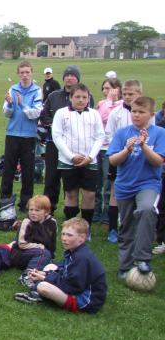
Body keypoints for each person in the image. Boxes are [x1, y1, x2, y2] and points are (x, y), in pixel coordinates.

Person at [107, 96, 165, 279]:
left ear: (150, 114)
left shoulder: (160, 133)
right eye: (134, 111)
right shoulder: (123, 132)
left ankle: (142, 257)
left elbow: (158, 162)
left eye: (141, 112)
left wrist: (144, 146)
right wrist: (127, 150)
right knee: (126, 226)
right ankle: (125, 267)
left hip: (148, 184)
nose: (137, 115)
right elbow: (113, 160)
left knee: (147, 210)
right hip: (125, 185)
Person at [14, 218, 107, 314]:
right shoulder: (75, 251)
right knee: (50, 266)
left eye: (69, 235)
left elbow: (72, 287)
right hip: (75, 288)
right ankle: (38, 293)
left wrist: (45, 278)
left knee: (43, 287)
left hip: (86, 301)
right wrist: (45, 274)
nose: (64, 238)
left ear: (82, 238)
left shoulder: (81, 258)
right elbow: (65, 271)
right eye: (63, 234)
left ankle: (39, 294)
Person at [38, 65, 93, 213]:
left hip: (76, 146)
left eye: (73, 75)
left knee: (73, 180)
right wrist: (56, 127)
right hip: (53, 143)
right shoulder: (53, 96)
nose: (69, 77)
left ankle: (72, 210)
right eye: (67, 75)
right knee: (51, 178)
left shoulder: (87, 96)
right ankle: (49, 208)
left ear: (78, 78)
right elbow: (44, 116)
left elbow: (88, 118)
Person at [51, 83, 103, 230]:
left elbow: (100, 137)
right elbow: (57, 136)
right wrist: (71, 156)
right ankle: (71, 227)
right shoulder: (61, 113)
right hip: (68, 161)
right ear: (70, 97)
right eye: (77, 97)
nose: (81, 100)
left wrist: (90, 157)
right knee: (71, 194)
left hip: (89, 160)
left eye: (84, 97)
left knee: (89, 195)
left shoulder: (94, 113)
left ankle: (86, 229)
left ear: (89, 98)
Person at [104, 80, 147, 243]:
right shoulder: (116, 113)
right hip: (121, 157)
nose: (128, 97)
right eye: (126, 94)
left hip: (140, 158)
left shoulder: (147, 114)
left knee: (139, 192)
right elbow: (109, 134)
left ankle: (134, 228)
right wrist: (122, 150)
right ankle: (113, 229)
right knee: (115, 192)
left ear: (139, 94)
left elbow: (152, 134)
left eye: (132, 94)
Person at [0, 61, 42, 214]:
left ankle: (25, 203)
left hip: (29, 136)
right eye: (22, 72)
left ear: (32, 73)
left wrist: (22, 104)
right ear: (18, 73)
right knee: (8, 169)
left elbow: (36, 113)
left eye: (27, 72)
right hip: (12, 134)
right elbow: (6, 113)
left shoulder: (37, 91)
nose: (24, 75)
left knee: (28, 170)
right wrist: (10, 105)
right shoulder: (12, 89)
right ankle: (5, 200)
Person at [11, 195, 57, 285]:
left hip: (42, 253)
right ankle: (26, 276)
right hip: (21, 254)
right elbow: (22, 244)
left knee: (53, 264)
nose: (33, 213)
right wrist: (40, 247)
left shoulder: (52, 223)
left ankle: (41, 268)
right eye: (31, 210)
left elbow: (53, 242)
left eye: (37, 210)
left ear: (46, 212)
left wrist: (51, 256)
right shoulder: (27, 222)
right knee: (43, 253)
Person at [94, 77, 122, 225]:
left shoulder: (122, 105)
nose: (106, 91)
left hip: (109, 148)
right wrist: (108, 103)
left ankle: (106, 216)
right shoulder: (101, 104)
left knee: (107, 184)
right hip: (98, 147)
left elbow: (108, 117)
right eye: (104, 88)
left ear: (117, 89)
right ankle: (95, 212)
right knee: (96, 183)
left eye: (109, 88)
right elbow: (98, 120)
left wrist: (111, 102)